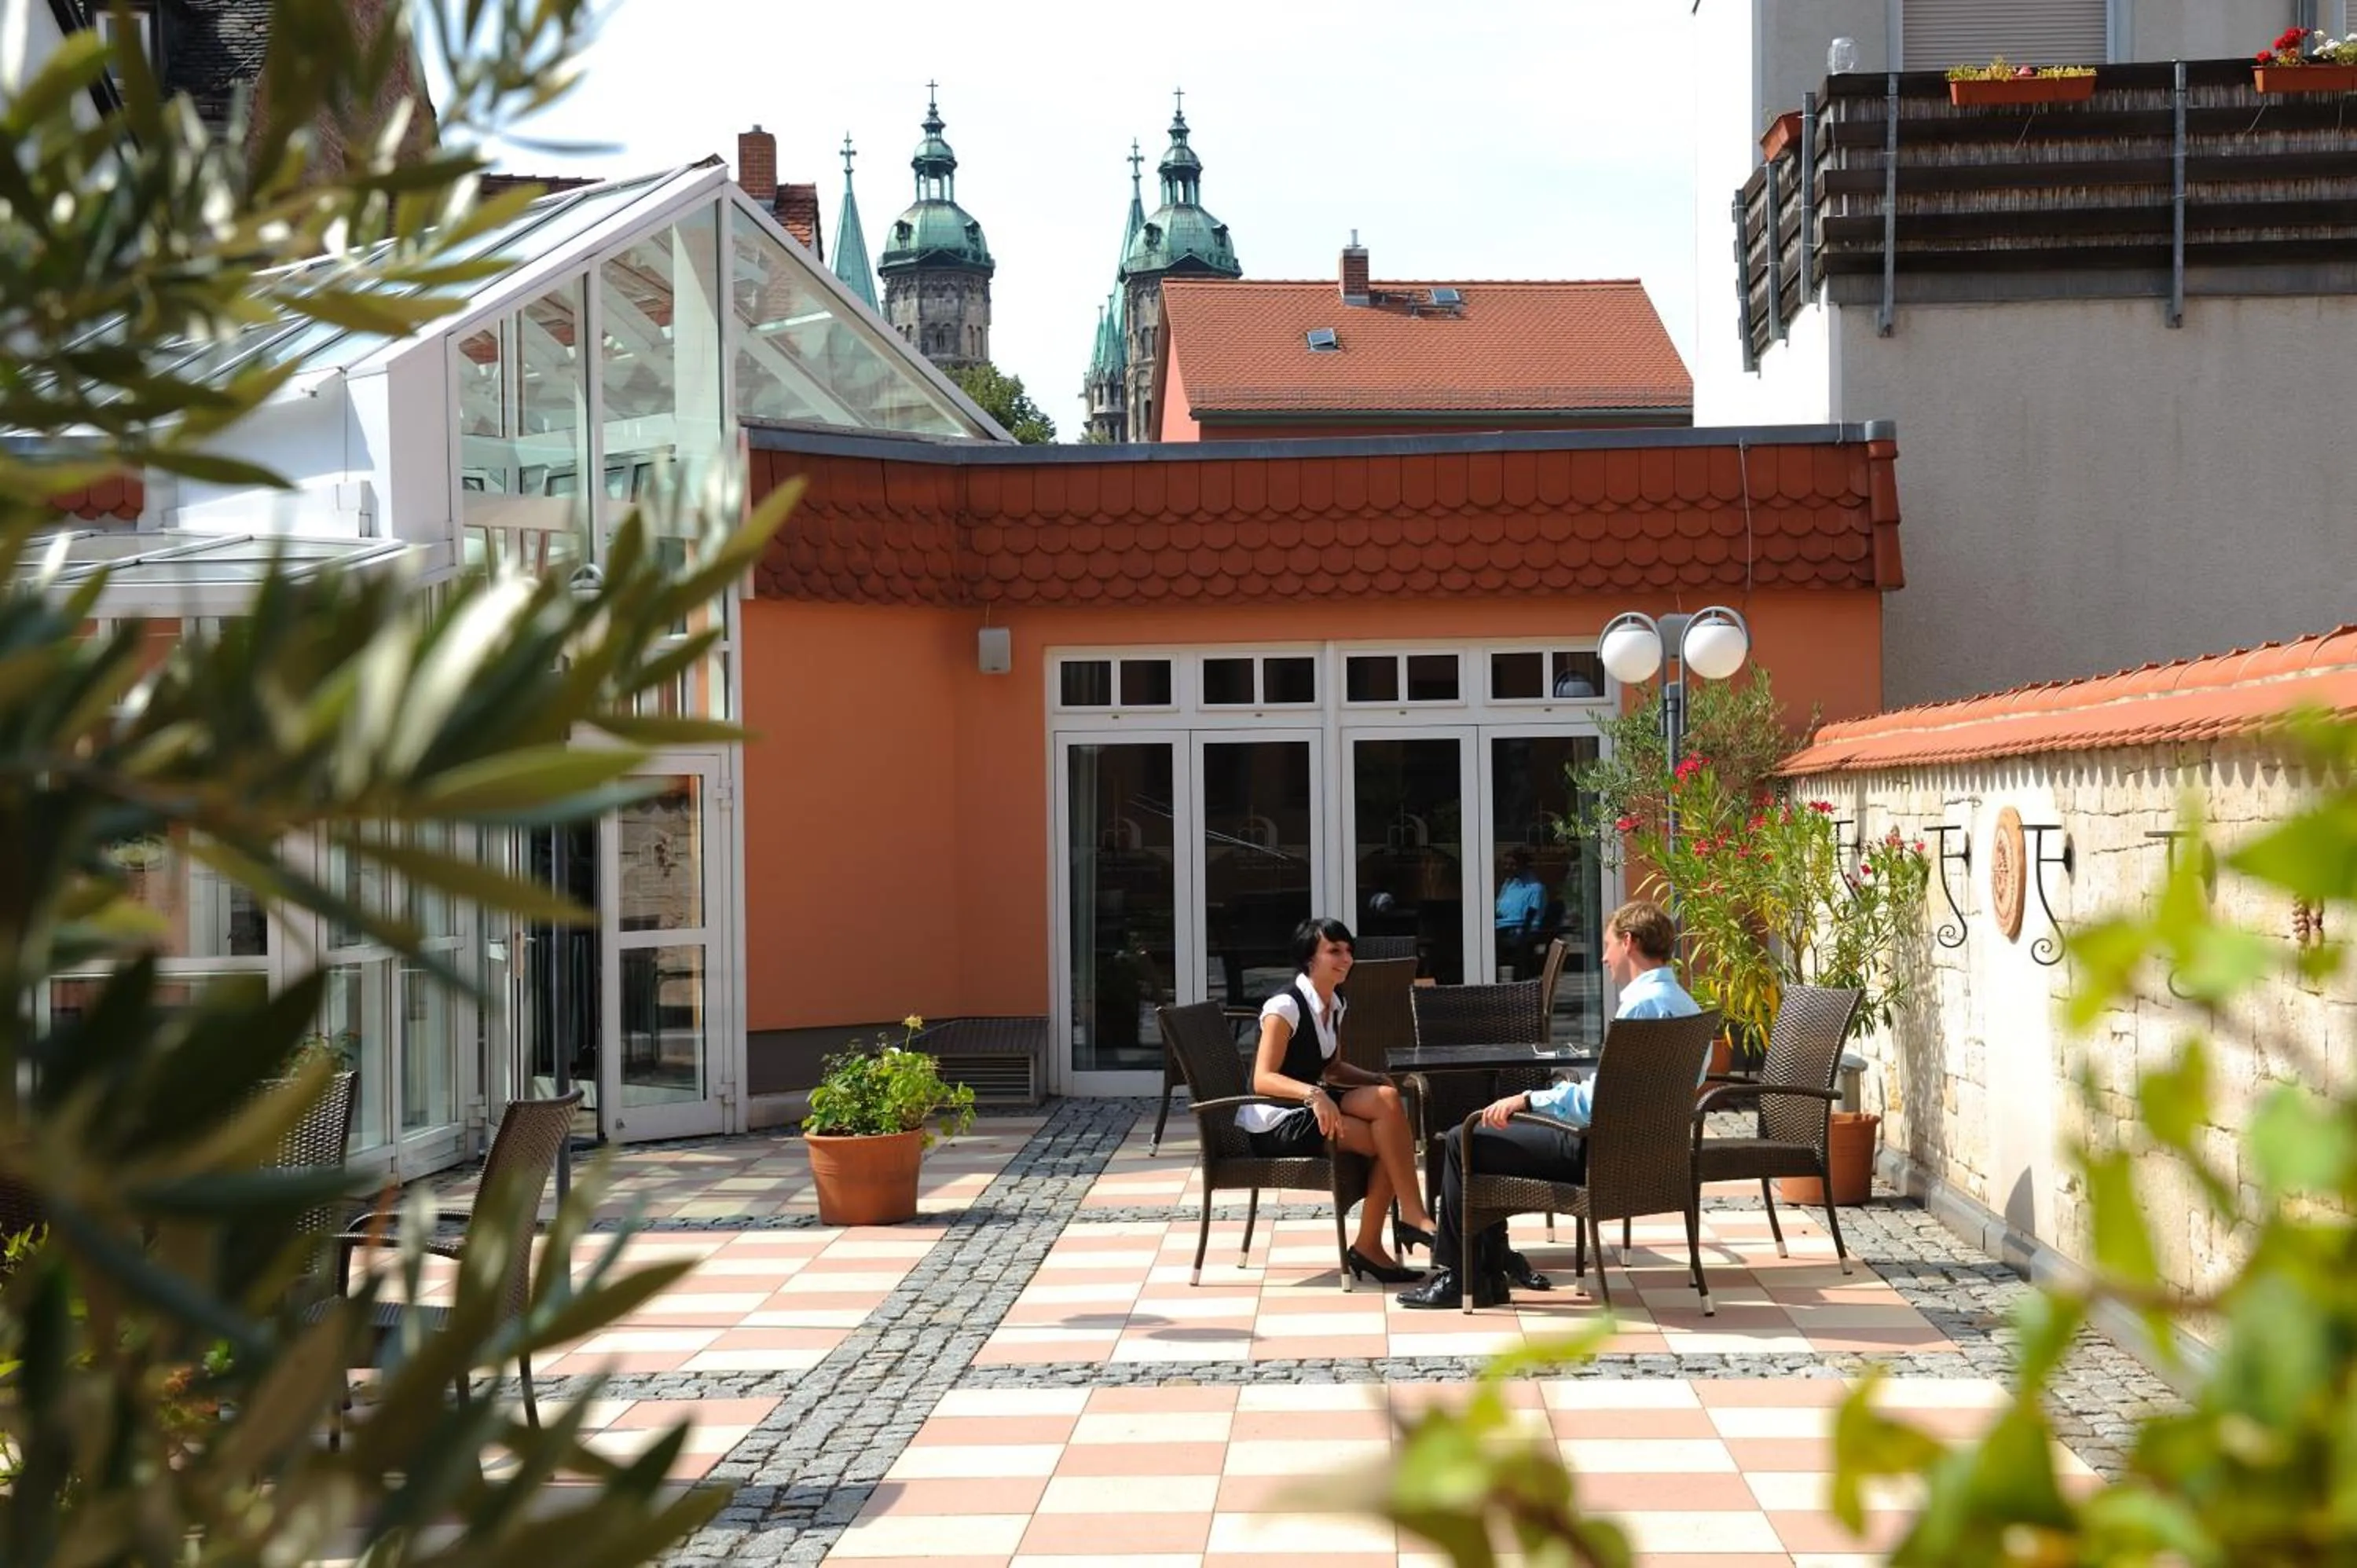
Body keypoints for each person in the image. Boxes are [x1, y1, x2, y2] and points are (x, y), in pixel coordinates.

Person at [1399, 899, 1700, 1310]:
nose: (1605, 958)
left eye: (1609, 945)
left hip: (1597, 1153)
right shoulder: (1685, 1004)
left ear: (1629, 942)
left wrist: (1528, 1099)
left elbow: (1595, 1102)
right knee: (1486, 1136)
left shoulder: (1641, 1006)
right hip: (1643, 1153)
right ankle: (1489, 1271)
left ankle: (1460, 1277)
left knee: (1461, 1139)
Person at [1241, 915, 1439, 1285]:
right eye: (1334, 951)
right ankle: (1389, 1232)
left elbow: (1331, 1068)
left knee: (1386, 1098)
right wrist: (1313, 1094)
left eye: (1348, 950)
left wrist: (1372, 1078)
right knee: (1389, 1143)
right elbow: (1262, 1079)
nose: (1346, 958)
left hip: (1313, 1107)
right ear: (1309, 958)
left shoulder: (1336, 1001)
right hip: (1277, 1121)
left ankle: (1397, 1226)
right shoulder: (1285, 1007)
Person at [1494, 848, 1545, 976]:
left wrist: (1517, 933)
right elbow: (1499, 908)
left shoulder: (1535, 889)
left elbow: (1533, 920)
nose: (1507, 868)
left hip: (1517, 933)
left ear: (1523, 865)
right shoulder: (1508, 884)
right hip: (1500, 928)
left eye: (1512, 864)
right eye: (1505, 864)